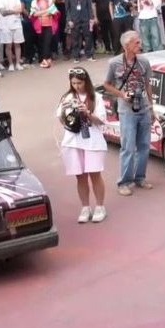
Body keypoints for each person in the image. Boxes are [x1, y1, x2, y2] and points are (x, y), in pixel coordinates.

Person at [103, 31, 155, 196]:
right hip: (127, 111)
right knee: (128, 147)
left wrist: (151, 107)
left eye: (140, 42)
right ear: (127, 46)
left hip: (143, 107)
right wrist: (122, 95)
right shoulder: (114, 63)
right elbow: (106, 84)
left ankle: (140, 177)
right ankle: (124, 182)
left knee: (144, 145)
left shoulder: (144, 61)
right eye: (136, 43)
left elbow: (147, 84)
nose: (140, 45)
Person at [56, 67, 108, 223]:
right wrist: (66, 110)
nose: (76, 86)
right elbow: (61, 120)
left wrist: (87, 112)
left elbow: (101, 121)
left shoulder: (96, 97)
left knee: (95, 175)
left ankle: (100, 206)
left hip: (93, 142)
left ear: (86, 81)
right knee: (80, 176)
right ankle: (85, 207)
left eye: (79, 83)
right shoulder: (67, 97)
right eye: (73, 83)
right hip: (73, 142)